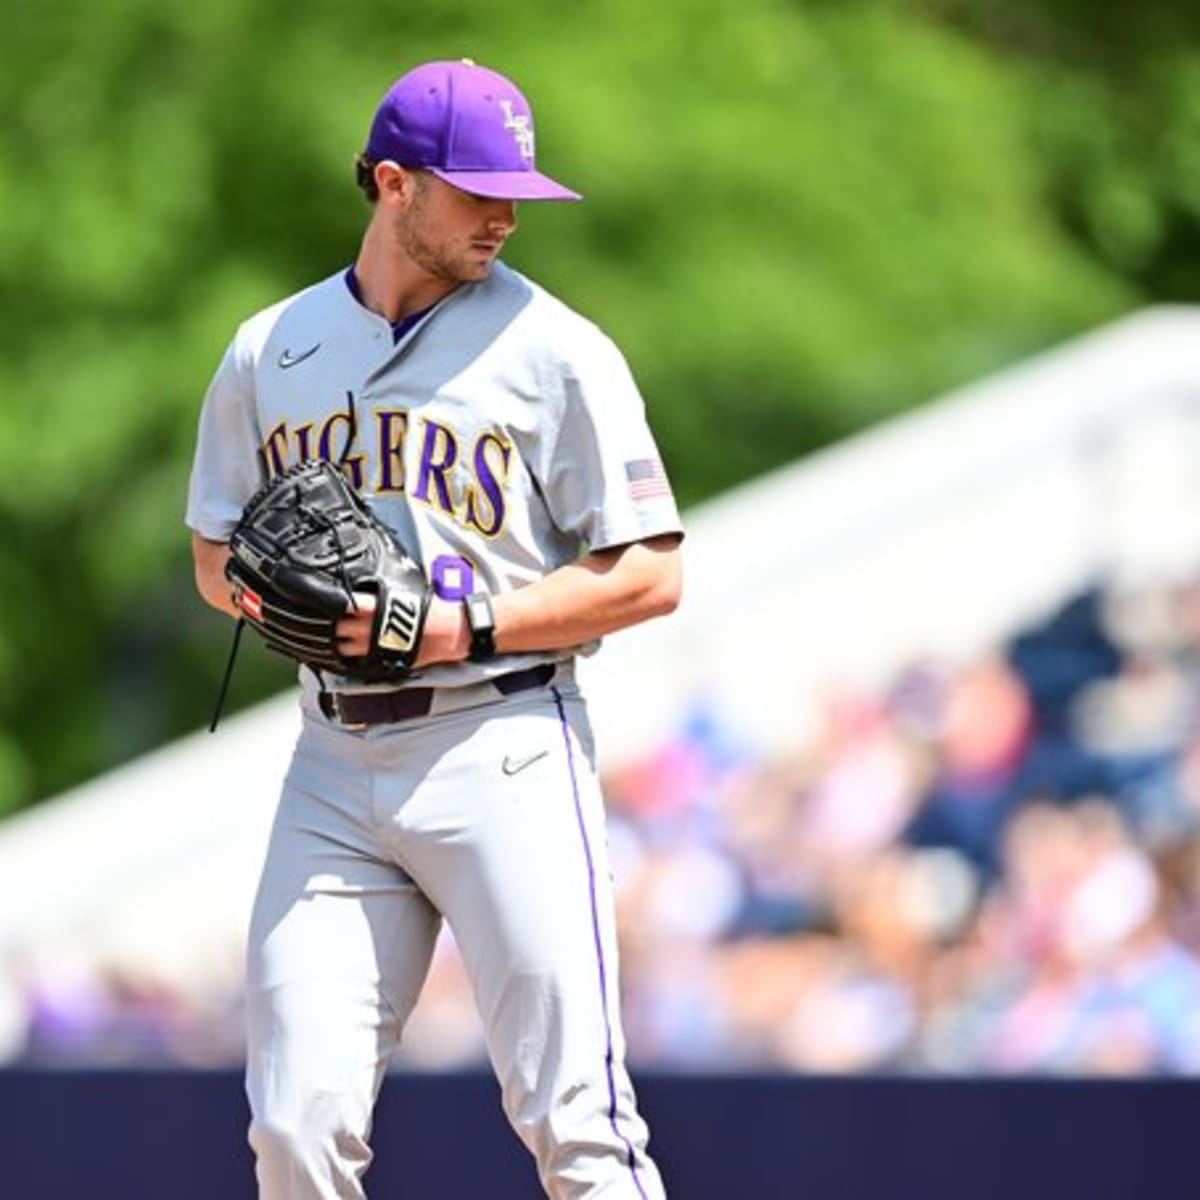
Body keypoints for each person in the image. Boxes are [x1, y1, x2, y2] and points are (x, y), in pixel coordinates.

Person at [185, 58, 682, 1199]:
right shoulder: (274, 348)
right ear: (395, 184)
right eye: (479, 190)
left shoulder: (559, 353)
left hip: (501, 745)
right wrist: (277, 602)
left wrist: (464, 623)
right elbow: (216, 560)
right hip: (333, 758)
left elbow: (653, 572)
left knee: (581, 1130)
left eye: (518, 190)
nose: (507, 215)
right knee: (293, 1132)